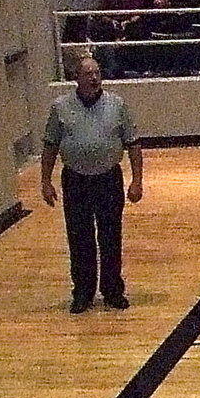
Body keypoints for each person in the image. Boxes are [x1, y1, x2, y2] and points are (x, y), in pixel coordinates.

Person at [41, 57, 143, 313]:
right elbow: (50, 145)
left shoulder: (117, 105)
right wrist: (45, 181)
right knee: (79, 238)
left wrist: (137, 181)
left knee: (111, 237)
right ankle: (83, 293)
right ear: (77, 77)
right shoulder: (60, 107)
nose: (94, 78)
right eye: (88, 74)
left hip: (108, 179)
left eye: (97, 73)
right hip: (76, 180)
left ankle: (112, 291)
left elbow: (132, 143)